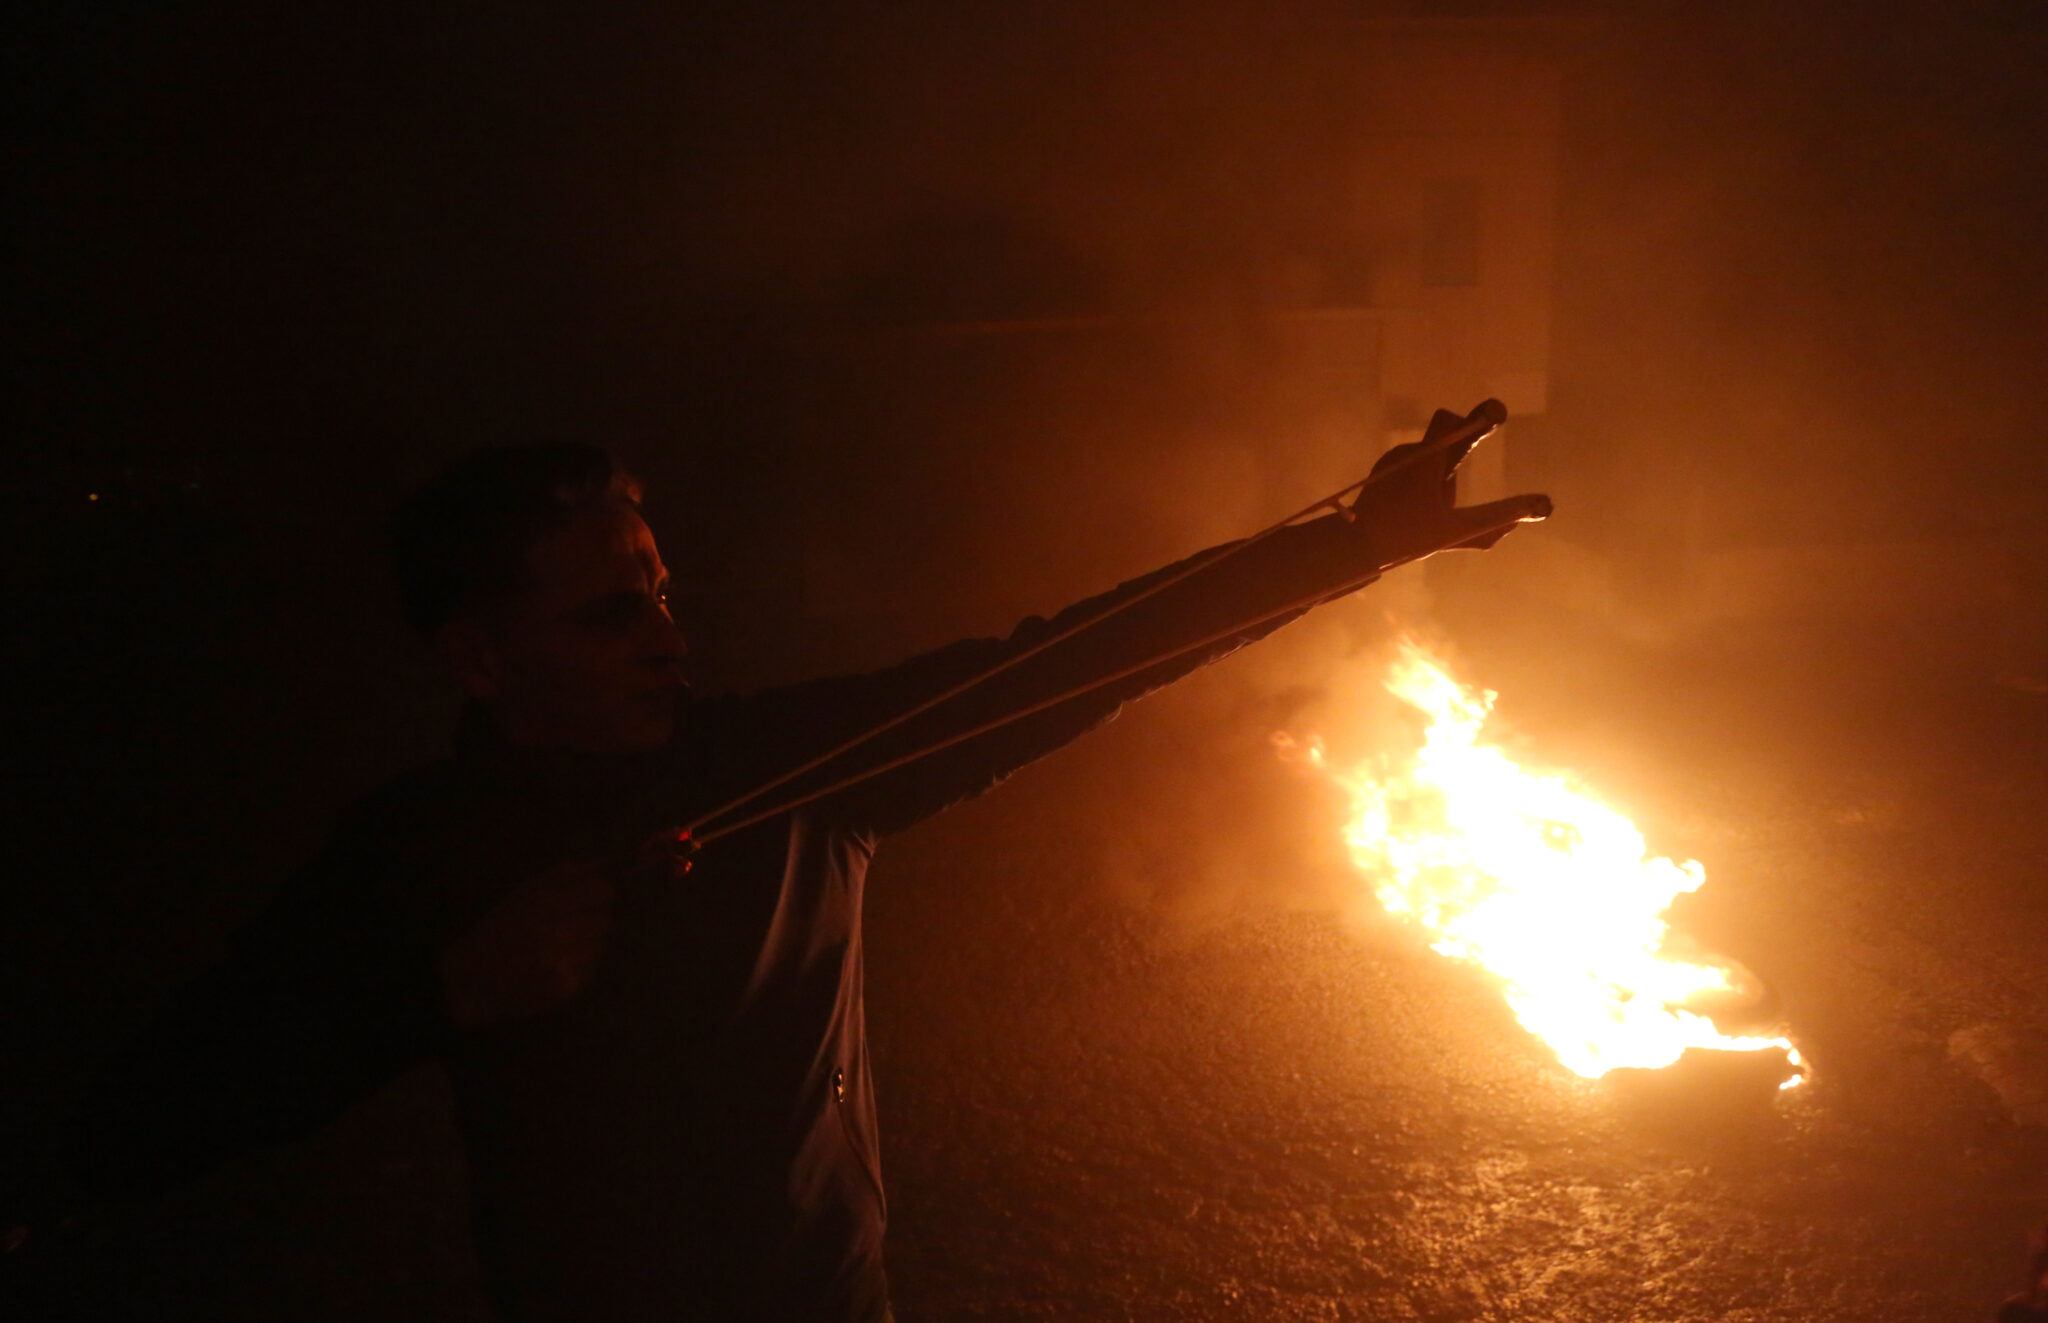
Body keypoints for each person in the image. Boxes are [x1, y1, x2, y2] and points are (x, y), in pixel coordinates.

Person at [41, 409, 1546, 1321]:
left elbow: (1069, 662)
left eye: (660, 590)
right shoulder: (418, 851)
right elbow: (169, 1104)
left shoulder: (787, 776)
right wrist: (437, 994)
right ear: (480, 656)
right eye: (606, 615)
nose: (664, 638)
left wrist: (1352, 545)